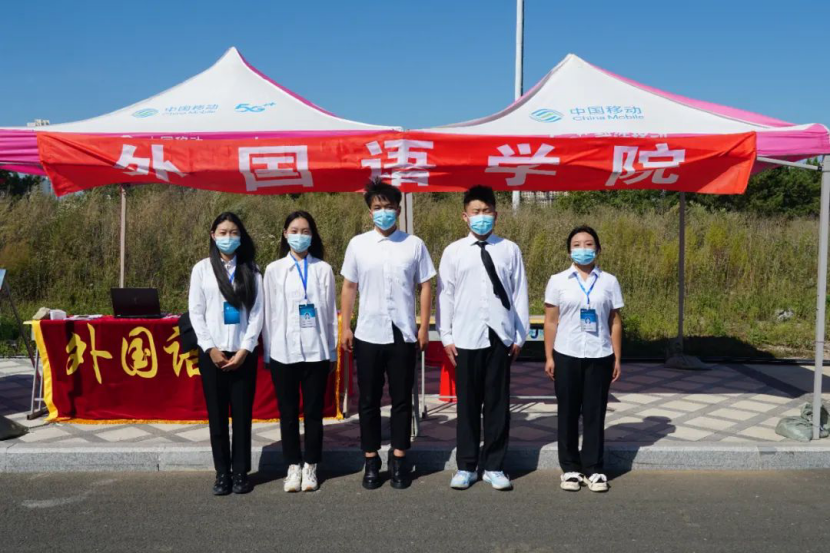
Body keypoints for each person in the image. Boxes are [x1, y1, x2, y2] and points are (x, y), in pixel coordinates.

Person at [340, 179, 436, 490]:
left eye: (389, 207)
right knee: (368, 400)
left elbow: (425, 285)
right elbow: (349, 286)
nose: (383, 212)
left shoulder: (413, 244)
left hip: (403, 333)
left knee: (401, 399)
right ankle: (371, 460)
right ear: (370, 212)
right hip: (368, 332)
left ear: (398, 210)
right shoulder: (358, 245)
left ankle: (399, 458)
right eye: (377, 207)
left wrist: (424, 326)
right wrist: (346, 326)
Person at [437, 186, 529, 491]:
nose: (481, 217)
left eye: (486, 211)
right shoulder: (453, 251)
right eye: (475, 212)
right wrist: (446, 335)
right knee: (467, 404)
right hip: (465, 336)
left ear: (496, 215)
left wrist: (519, 336)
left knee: (497, 404)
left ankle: (494, 466)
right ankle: (466, 466)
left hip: (500, 335)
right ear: (464, 216)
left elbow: (519, 293)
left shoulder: (509, 249)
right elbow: (445, 295)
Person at [543, 226, 624, 493]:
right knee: (567, 413)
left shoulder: (609, 282)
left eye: (589, 244)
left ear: (598, 249)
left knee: (594, 413)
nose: (583, 249)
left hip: (600, 354)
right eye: (577, 244)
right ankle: (570, 468)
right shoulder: (558, 281)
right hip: (566, 354)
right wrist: (549, 356)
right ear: (569, 251)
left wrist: (617, 357)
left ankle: (594, 468)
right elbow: (551, 321)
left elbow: (614, 321)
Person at [189, 212, 264, 496]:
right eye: (223, 232)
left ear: (241, 236)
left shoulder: (252, 270)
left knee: (242, 416)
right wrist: (210, 348)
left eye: (233, 233)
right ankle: (222, 473)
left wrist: (246, 349)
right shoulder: (202, 269)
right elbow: (196, 312)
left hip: (243, 353)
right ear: (213, 235)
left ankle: (241, 472)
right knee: (217, 416)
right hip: (213, 354)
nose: (228, 238)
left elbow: (257, 313)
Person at [263, 211, 338, 493]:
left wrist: (332, 352)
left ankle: (311, 465)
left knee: (314, 413)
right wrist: (268, 352)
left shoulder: (323, 269)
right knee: (288, 412)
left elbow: (330, 314)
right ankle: (293, 465)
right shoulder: (274, 270)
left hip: (316, 351)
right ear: (285, 234)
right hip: (283, 352)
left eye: (305, 231)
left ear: (313, 235)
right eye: (294, 230)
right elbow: (268, 314)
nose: (299, 236)